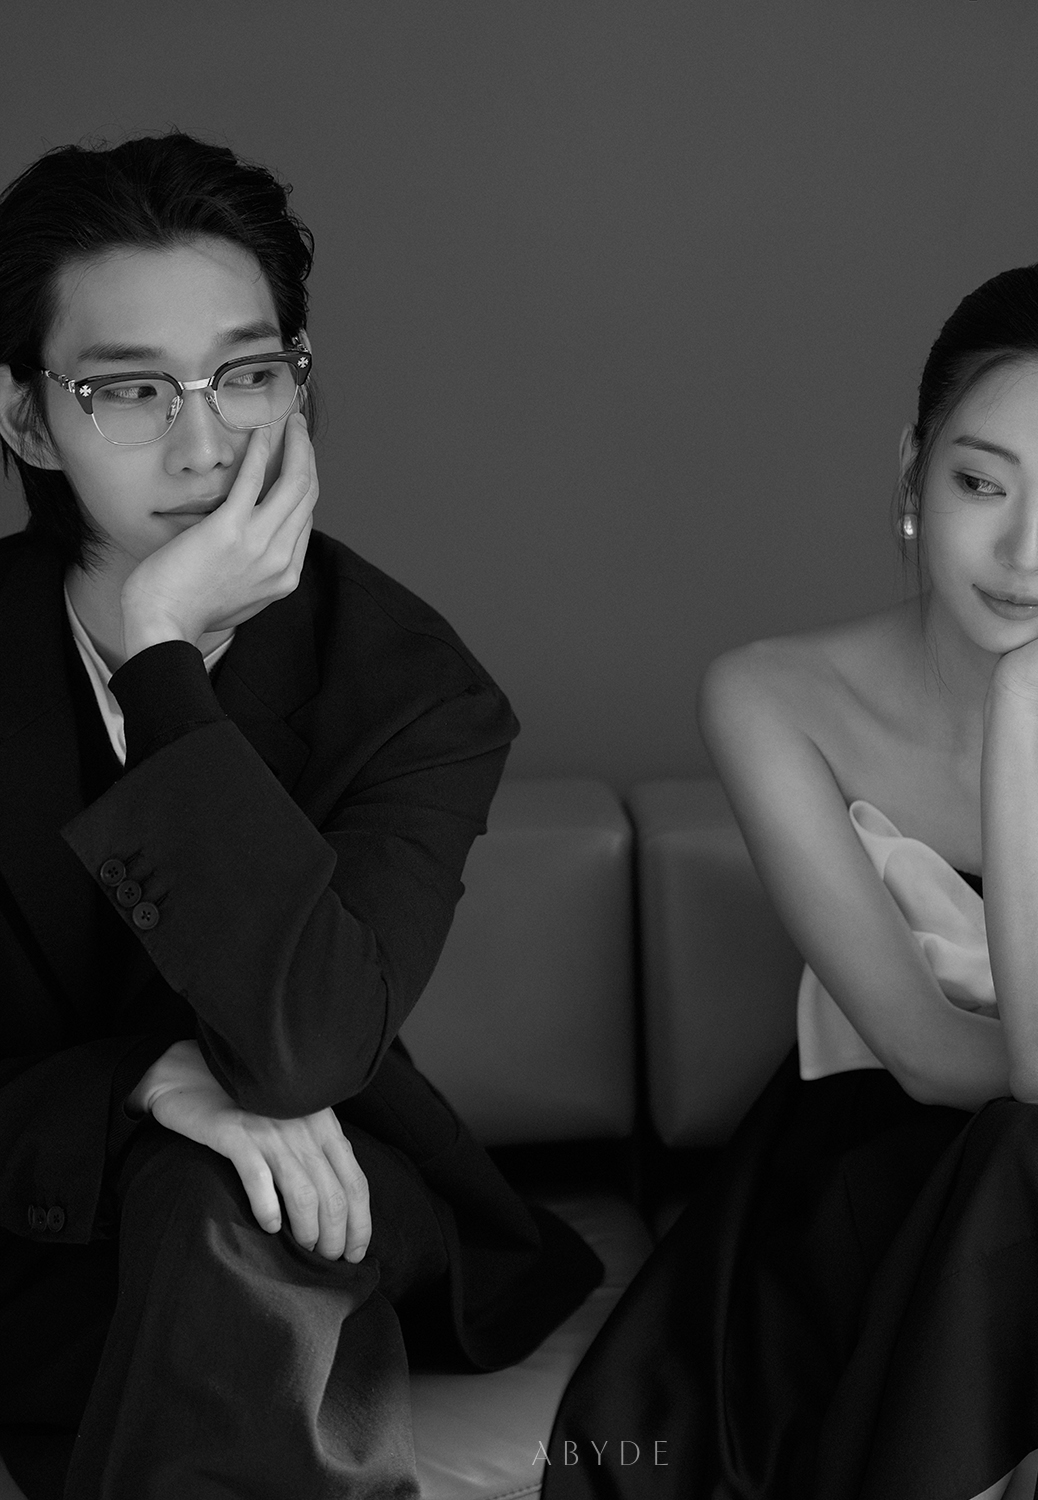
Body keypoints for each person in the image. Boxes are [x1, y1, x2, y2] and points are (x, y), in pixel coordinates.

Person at [0, 131, 601, 1500]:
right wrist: (142, 1092)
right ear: (29, 420)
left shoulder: (411, 691)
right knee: (201, 1192)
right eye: (129, 389)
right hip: (33, 1212)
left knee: (230, 1195)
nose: (206, 442)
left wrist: (160, 661)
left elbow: (303, 1054)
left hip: (316, 1200)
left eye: (249, 375)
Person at [544, 262, 1038, 1499]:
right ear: (912, 470)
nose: (1026, 551)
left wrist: (1018, 709)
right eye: (979, 483)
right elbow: (938, 1058)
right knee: (1037, 1146)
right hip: (886, 1173)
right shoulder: (770, 696)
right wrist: (1021, 708)